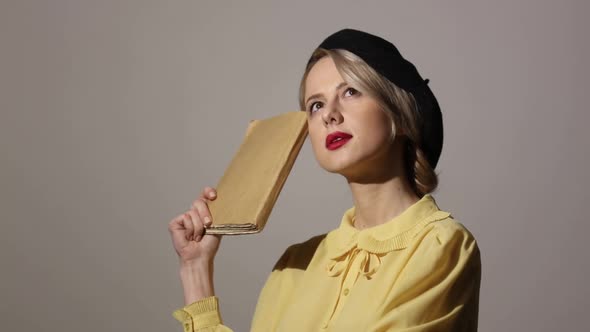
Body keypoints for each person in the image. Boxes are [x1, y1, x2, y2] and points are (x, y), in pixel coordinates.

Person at [168, 28, 481, 332]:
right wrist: (196, 269)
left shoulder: (442, 245)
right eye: (315, 105)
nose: (329, 114)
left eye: (350, 91)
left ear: (398, 114)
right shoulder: (294, 265)